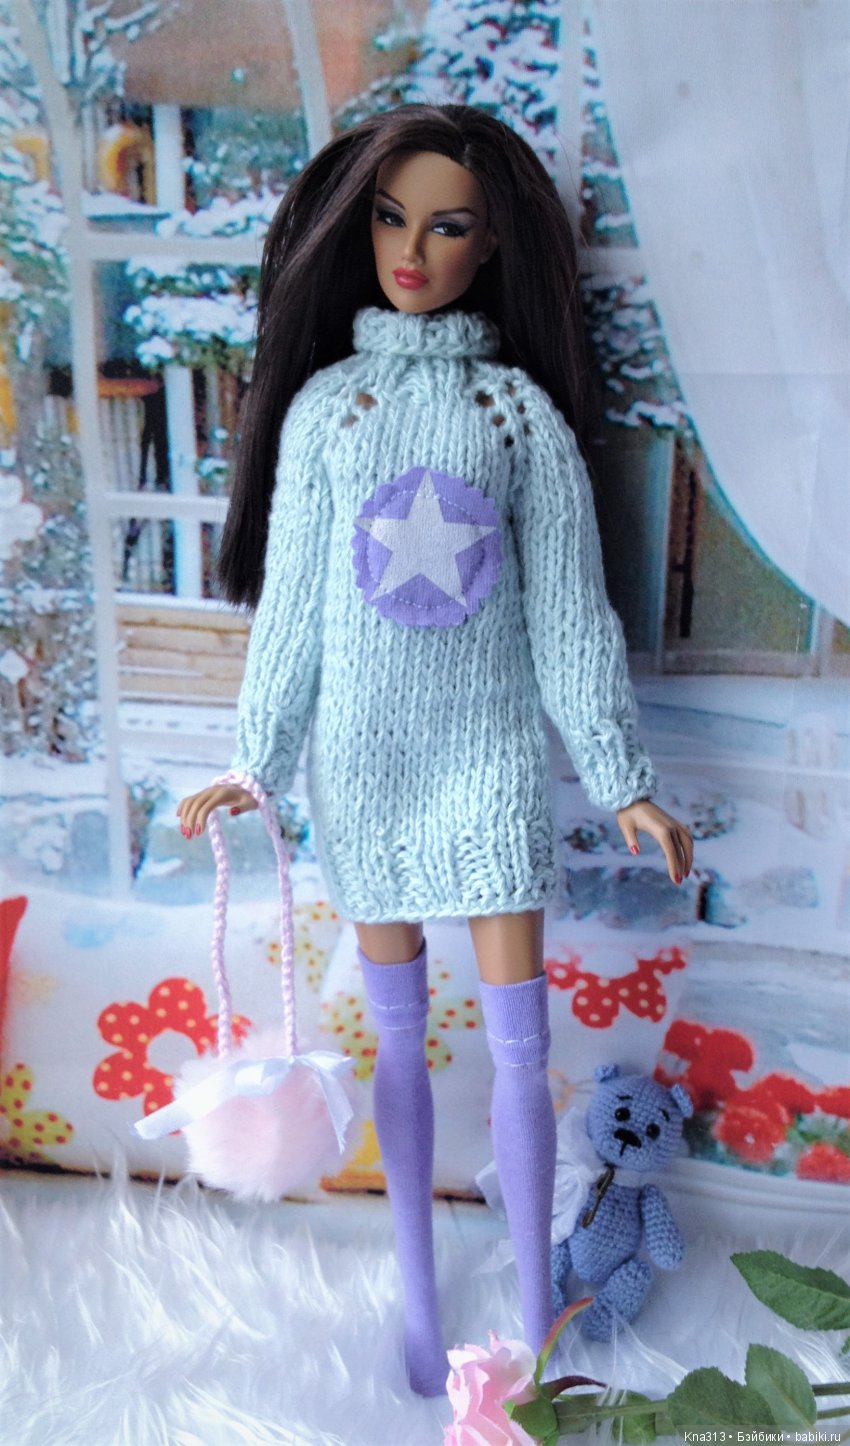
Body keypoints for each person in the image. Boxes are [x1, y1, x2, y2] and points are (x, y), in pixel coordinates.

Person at [177, 104, 693, 1397]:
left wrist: (622, 777)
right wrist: (255, 757)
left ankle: (533, 1309)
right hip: (363, 763)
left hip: (488, 762)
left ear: (492, 243)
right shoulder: (325, 415)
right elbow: (292, 612)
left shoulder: (517, 419)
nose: (413, 250)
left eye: (448, 225)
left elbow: (570, 614)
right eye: (390, 218)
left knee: (521, 1047)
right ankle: (417, 1298)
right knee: (396, 1045)